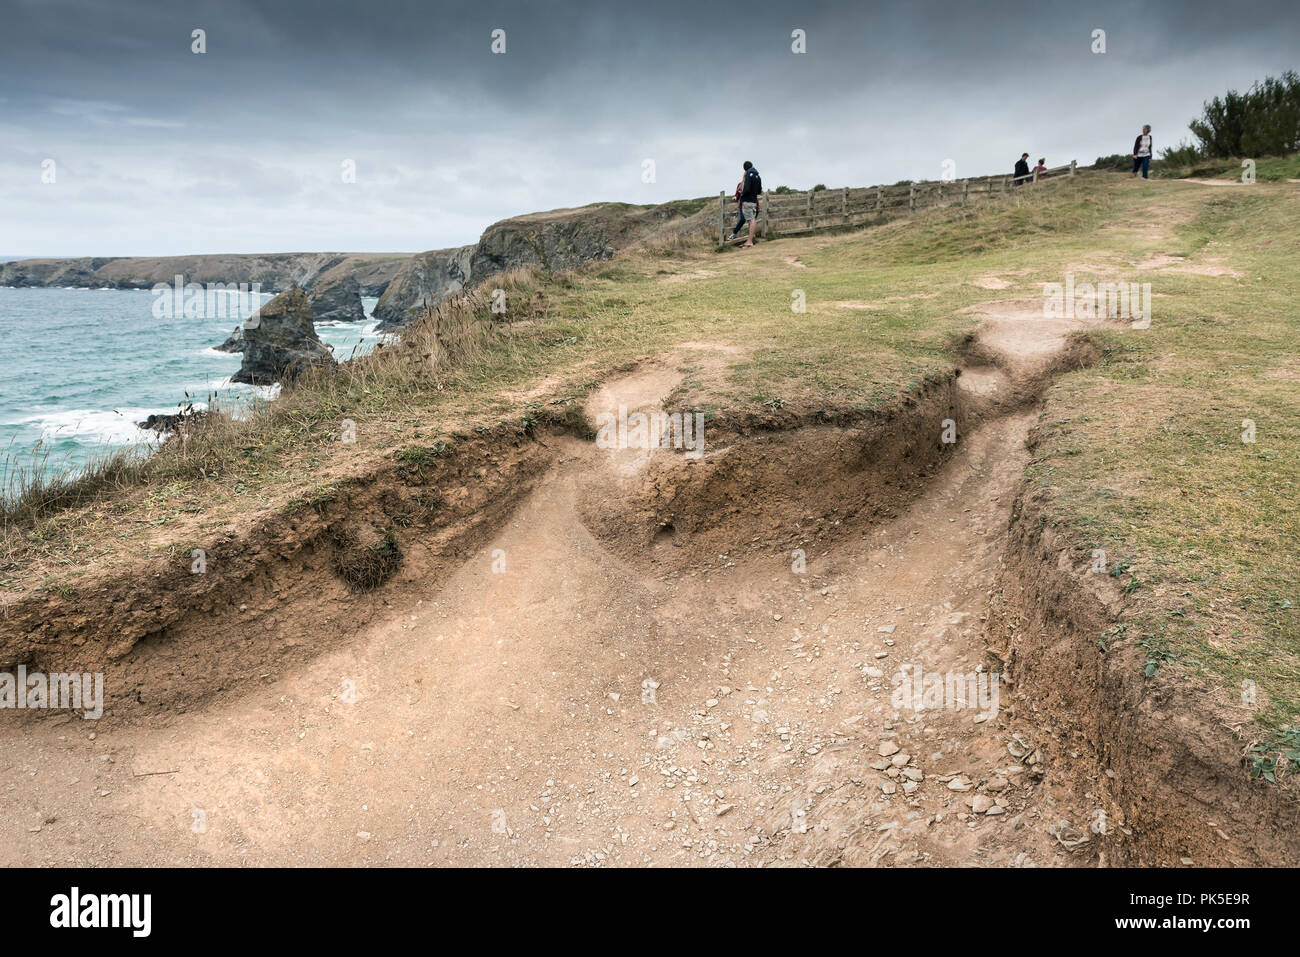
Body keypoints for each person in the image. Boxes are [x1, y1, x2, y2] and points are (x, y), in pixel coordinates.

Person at [735, 160, 762, 247]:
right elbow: (759, 190)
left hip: (747, 201)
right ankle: (749, 240)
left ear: (744, 169)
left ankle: (749, 241)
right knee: (752, 220)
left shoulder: (748, 175)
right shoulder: (757, 175)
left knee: (751, 220)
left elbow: (744, 189)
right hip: (754, 201)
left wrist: (742, 194)